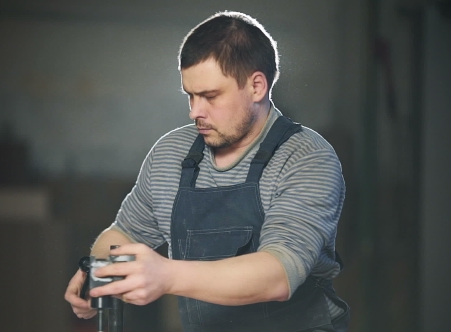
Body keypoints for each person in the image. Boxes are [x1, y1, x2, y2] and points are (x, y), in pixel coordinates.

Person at [64, 10, 350, 332]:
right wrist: (100, 271)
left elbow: (278, 275)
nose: (194, 112)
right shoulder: (171, 154)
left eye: (210, 96)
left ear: (257, 86)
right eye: (191, 95)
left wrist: (167, 275)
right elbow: (124, 234)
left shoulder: (305, 157)